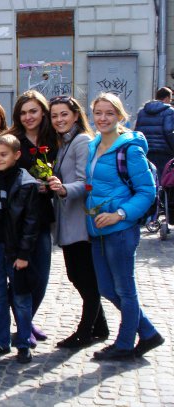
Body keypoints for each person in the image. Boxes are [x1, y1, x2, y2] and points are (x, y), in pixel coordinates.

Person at [86, 93, 164, 360]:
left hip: (120, 229)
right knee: (107, 288)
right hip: (97, 229)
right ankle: (148, 332)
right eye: (98, 113)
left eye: (109, 113)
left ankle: (125, 344)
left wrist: (119, 214)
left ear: (120, 116)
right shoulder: (94, 145)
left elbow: (147, 192)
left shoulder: (129, 148)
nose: (103, 118)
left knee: (125, 290)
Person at [46, 96, 109, 348]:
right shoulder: (64, 142)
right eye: (54, 116)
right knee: (78, 275)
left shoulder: (81, 140)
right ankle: (100, 326)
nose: (59, 120)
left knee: (84, 278)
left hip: (80, 220)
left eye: (64, 114)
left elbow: (85, 181)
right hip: (69, 218)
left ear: (75, 115)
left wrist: (64, 189)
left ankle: (85, 331)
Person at [0, 134, 39, 364]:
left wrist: (24, 254)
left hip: (15, 249)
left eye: (4, 155)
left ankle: (23, 343)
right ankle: (1, 341)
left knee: (21, 297)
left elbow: (31, 223)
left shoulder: (27, 184)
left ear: (16, 155)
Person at [8, 90, 56, 345]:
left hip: (43, 215)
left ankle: (27, 320)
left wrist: (52, 185)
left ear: (43, 113)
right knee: (21, 275)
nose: (28, 117)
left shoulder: (53, 139)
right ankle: (24, 325)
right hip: (18, 219)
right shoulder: (14, 141)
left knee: (41, 276)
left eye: (33, 111)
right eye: (23, 113)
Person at [134, 86, 174, 175]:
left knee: (149, 175)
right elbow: (169, 132)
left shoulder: (142, 111)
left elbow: (137, 131)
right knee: (163, 177)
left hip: (146, 150)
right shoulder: (169, 111)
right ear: (167, 98)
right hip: (164, 152)